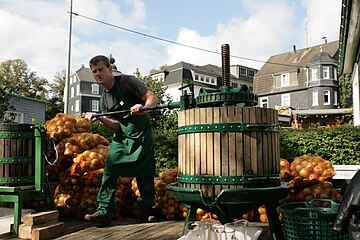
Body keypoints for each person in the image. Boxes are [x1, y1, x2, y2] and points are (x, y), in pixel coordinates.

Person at [83, 55, 158, 226]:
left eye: (100, 69)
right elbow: (116, 127)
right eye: (94, 71)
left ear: (110, 69)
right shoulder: (104, 99)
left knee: (145, 174)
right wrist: (100, 118)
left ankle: (147, 210)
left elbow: (152, 97)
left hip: (142, 135)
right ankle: (104, 211)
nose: (97, 74)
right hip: (122, 138)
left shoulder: (127, 82)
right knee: (110, 168)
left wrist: (143, 107)